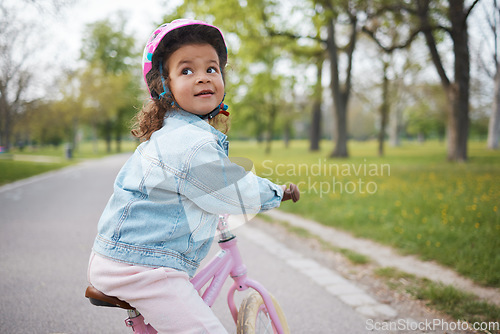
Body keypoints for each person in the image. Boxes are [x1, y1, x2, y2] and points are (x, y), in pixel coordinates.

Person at [87, 19, 298, 333]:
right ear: (165, 85)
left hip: (124, 258)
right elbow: (232, 189)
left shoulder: (171, 133)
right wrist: (276, 192)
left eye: (212, 69)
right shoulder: (189, 141)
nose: (203, 78)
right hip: (142, 268)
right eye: (187, 70)